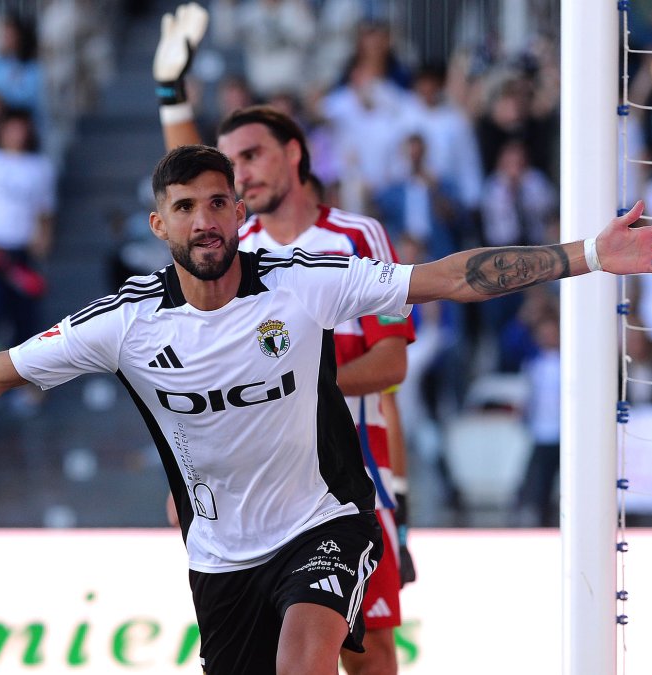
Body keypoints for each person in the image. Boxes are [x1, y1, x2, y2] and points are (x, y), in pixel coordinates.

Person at [0, 145, 652, 675]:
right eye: (186, 206)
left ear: (240, 213)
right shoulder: (122, 322)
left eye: (219, 202)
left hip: (327, 517)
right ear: (159, 224)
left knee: (307, 661)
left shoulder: (303, 281)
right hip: (219, 553)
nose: (207, 220)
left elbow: (443, 277)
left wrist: (583, 256)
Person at [157, 6, 417, 667]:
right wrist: (171, 93)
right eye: (232, 164)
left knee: (370, 650)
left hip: (354, 470)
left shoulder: (357, 238)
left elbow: (393, 361)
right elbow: (185, 187)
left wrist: (305, 382)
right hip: (255, 486)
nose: (238, 175)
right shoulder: (231, 250)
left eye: (252, 156)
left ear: (294, 153)